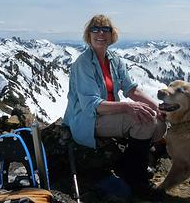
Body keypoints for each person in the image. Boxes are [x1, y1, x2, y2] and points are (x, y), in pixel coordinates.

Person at [63, 14, 166, 194]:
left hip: (109, 113)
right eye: (95, 29)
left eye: (105, 29)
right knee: (143, 122)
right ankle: (135, 177)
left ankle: (128, 165)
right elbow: (91, 105)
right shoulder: (83, 64)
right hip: (87, 119)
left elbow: (131, 89)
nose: (100, 33)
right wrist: (127, 107)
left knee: (159, 124)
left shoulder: (113, 59)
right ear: (89, 34)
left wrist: (157, 108)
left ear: (112, 35)